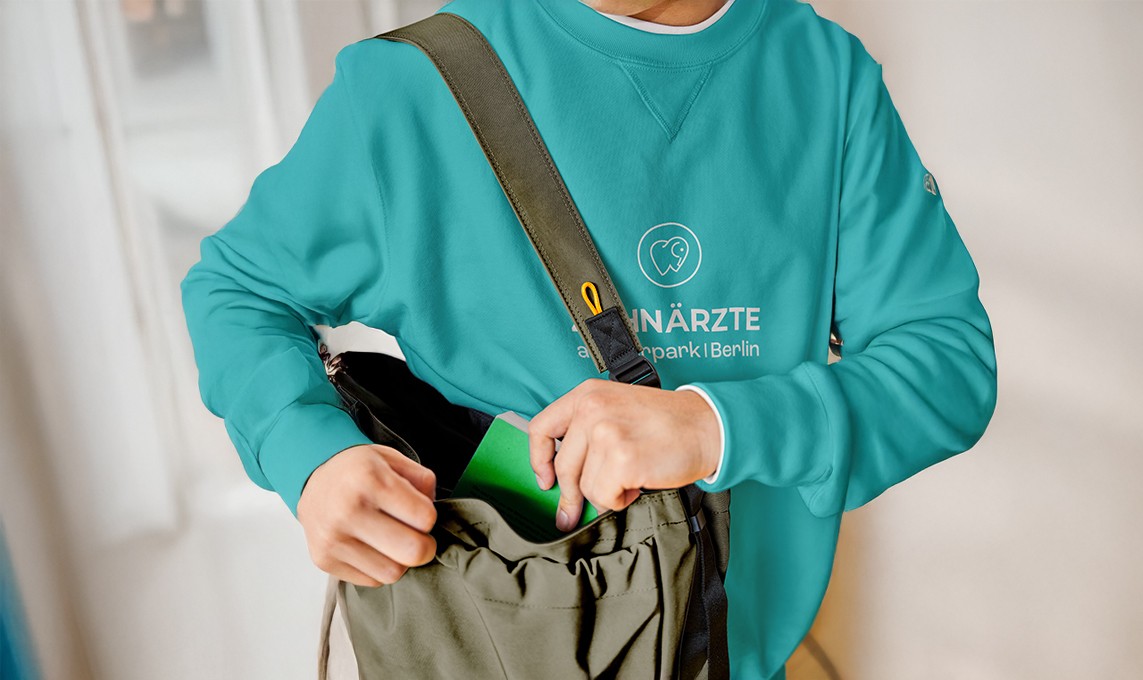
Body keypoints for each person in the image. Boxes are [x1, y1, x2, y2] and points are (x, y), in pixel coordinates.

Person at [179, 0, 999, 677]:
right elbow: (237, 289)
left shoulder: (826, 78)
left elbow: (946, 362)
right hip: (492, 647)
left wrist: (713, 426)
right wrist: (308, 453)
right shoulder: (408, 89)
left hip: (739, 657)